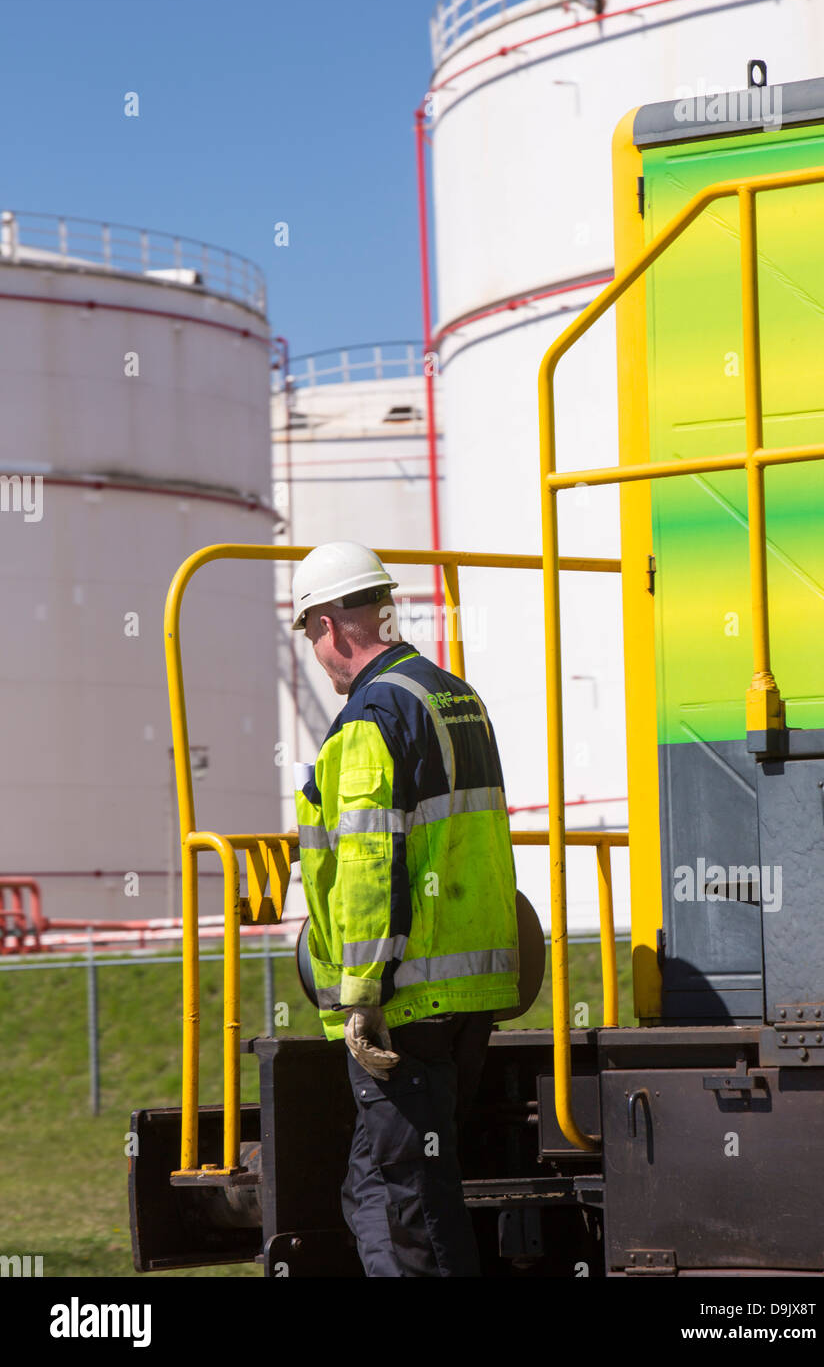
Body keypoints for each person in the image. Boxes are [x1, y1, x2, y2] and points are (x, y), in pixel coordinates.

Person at [292, 540, 519, 1278]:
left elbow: (366, 864)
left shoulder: (369, 717)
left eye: (309, 635)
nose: (315, 655)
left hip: (404, 1006)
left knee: (413, 1207)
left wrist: (359, 996)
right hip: (471, 991)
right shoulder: (456, 696)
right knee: (374, 1191)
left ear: (330, 624)